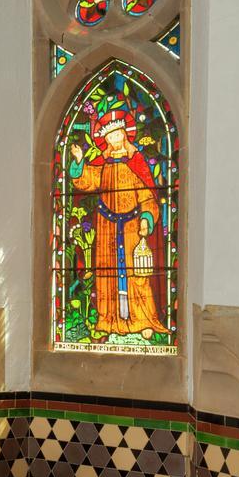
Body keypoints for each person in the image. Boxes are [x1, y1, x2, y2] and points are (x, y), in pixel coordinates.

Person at [66, 103, 167, 339]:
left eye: (119, 134)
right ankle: (107, 320)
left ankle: (143, 320)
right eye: (111, 136)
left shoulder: (136, 163)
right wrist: (79, 162)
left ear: (126, 135)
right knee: (106, 274)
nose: (115, 139)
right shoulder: (103, 166)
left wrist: (146, 218)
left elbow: (147, 195)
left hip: (132, 227)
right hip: (107, 226)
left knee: (137, 274)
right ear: (106, 140)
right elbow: (84, 182)